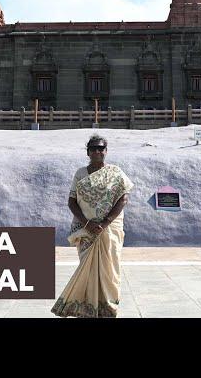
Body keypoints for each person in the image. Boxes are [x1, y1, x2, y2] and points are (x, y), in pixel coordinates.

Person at [51, 134, 134, 318]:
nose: (97, 151)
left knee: (110, 268)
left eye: (101, 148)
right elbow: (72, 202)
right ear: (88, 152)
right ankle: (87, 306)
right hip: (86, 230)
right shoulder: (80, 173)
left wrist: (104, 223)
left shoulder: (115, 172)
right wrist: (87, 224)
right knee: (86, 268)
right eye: (94, 148)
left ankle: (108, 306)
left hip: (109, 229)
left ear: (106, 151)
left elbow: (123, 198)